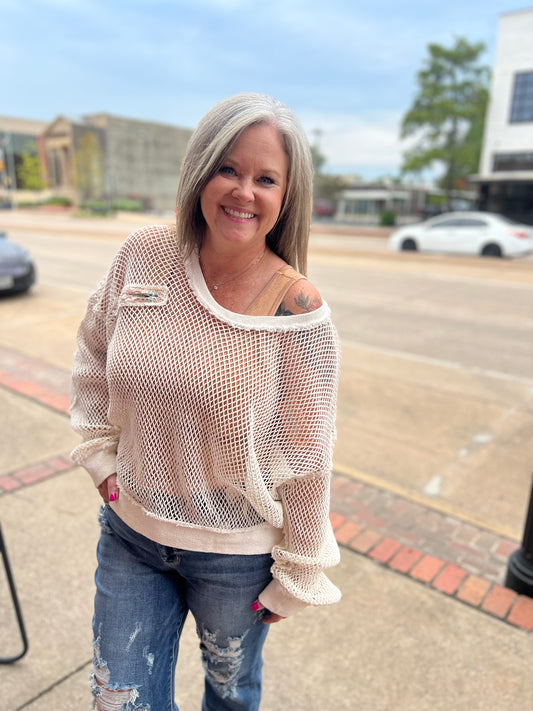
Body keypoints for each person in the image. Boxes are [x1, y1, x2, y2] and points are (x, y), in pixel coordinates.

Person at [70, 92, 341, 711]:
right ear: (199, 170)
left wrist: (298, 567)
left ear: (284, 197)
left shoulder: (295, 307)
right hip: (130, 534)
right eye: (229, 168)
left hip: (236, 561)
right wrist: (100, 460)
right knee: (118, 700)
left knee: (230, 695)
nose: (244, 191)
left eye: (265, 178)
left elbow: (308, 453)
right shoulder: (143, 255)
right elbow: (92, 351)